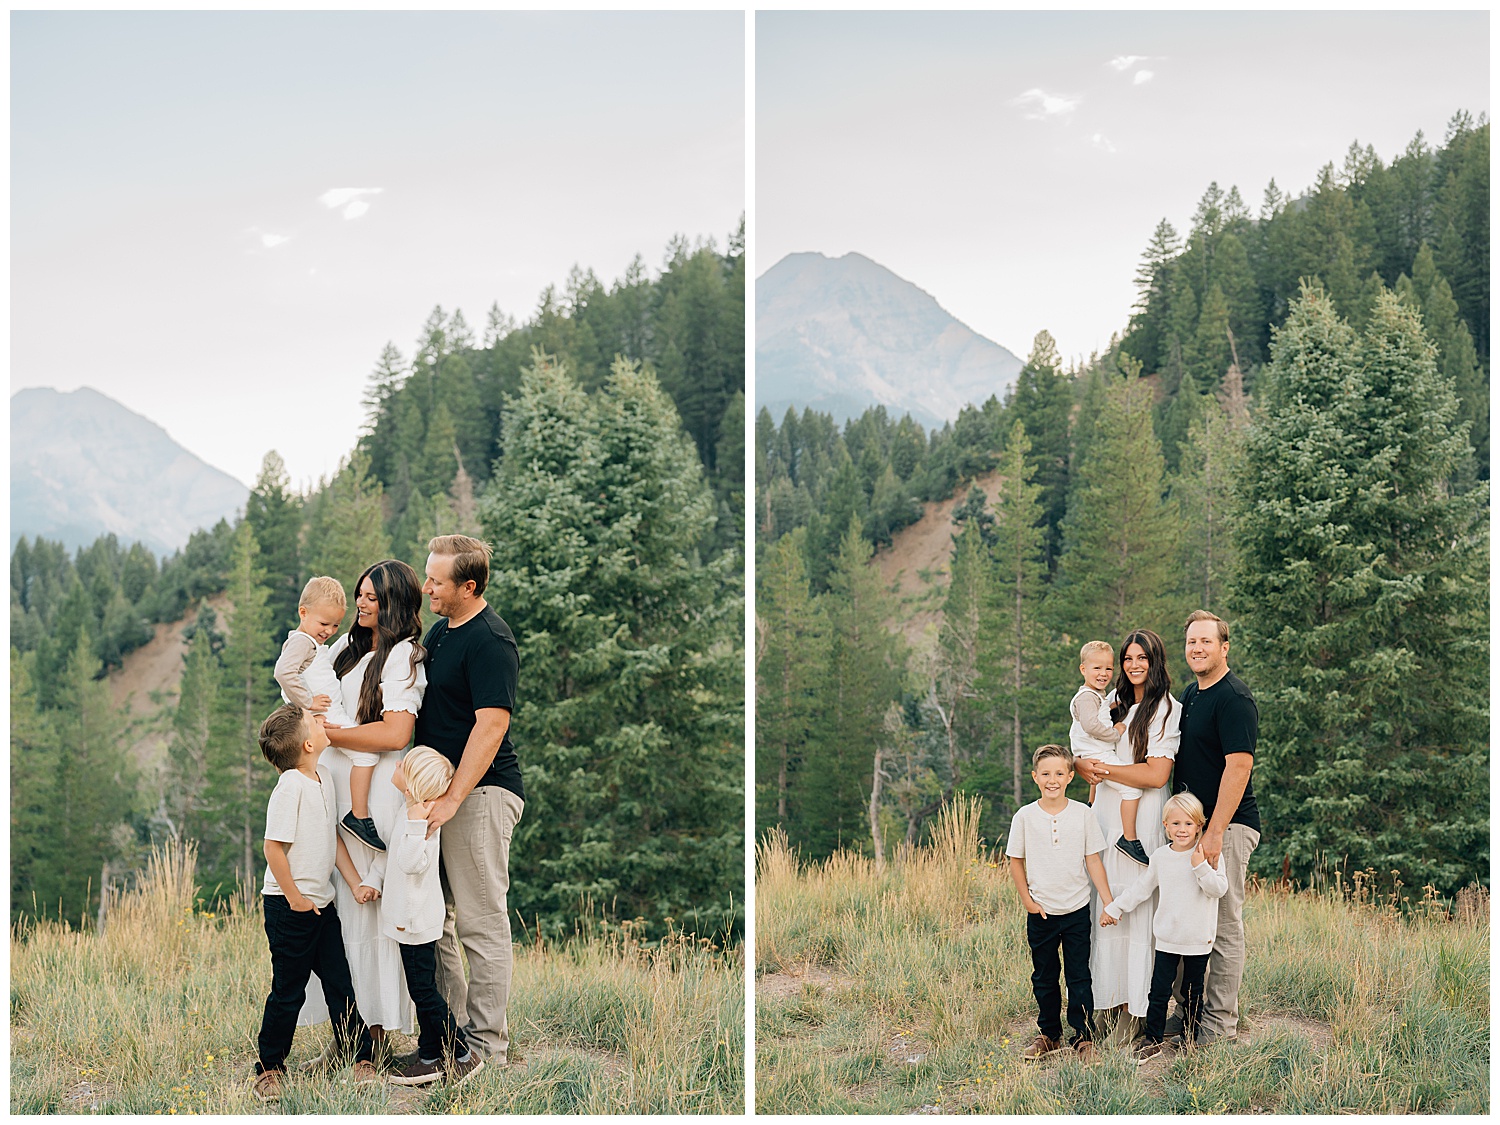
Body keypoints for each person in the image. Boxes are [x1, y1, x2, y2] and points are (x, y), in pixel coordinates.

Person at [297, 559, 428, 1059]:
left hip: (373, 798)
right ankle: (345, 1030)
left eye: (372, 597)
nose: (361, 603)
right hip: (329, 784)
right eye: (359, 594)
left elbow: (396, 733)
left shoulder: (402, 657)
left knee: (370, 915)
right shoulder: (344, 652)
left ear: (394, 602)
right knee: (338, 911)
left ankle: (374, 1033)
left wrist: (328, 733)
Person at [415, 534, 524, 1066]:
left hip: (480, 794)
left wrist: (454, 797)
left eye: (436, 581)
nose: (426, 586)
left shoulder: (491, 641)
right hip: (440, 796)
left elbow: (492, 726)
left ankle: (488, 1050)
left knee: (481, 922)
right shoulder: (441, 631)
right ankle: (453, 1040)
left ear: (469, 586)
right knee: (431, 917)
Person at [251, 704, 378, 1102]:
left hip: (323, 905)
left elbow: (332, 839)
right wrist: (295, 898)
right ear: (308, 744)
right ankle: (270, 1068)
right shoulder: (290, 786)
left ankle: (361, 1058)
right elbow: (273, 848)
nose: (321, 723)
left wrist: (355, 883)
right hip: (289, 908)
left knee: (340, 983)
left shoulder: (322, 777)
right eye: (314, 722)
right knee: (289, 991)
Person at [1071, 628, 1182, 1025]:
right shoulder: (1111, 702)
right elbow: (1087, 743)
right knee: (1103, 903)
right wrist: (1082, 765)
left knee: (1136, 906)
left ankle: (1137, 1014)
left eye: (1143, 658)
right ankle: (1105, 1005)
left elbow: (1155, 775)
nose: (1134, 666)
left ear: (1156, 662)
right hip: (1105, 810)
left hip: (1142, 815)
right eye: (1128, 659)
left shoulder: (1167, 708)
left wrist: (1101, 768)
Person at [360, 747, 484, 1087]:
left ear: (413, 783)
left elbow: (411, 862)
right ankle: (429, 1056)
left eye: (405, 764)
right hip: (411, 920)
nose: (398, 763)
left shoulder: (421, 819)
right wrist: (373, 880)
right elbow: (391, 854)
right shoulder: (409, 811)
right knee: (423, 990)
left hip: (413, 922)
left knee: (424, 993)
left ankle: (462, 1054)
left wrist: (416, 827)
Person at [1171, 610, 1259, 1045]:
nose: (1198, 649)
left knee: (1223, 925)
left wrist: (1216, 830)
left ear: (1224, 648)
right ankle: (1189, 1014)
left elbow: (1239, 766)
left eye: (1206, 642)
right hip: (1191, 828)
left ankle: (1219, 1024)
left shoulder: (1234, 698)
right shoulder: (1191, 694)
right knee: (1186, 921)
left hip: (1229, 825)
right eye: (1191, 642)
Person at [1007, 744, 1116, 1064]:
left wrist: (1108, 902)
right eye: (1045, 774)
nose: (1052, 779)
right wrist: (1027, 901)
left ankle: (1083, 1037)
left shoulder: (1083, 813)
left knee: (1079, 975)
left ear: (1070, 776)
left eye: (1058, 773)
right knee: (1044, 974)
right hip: (1041, 911)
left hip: (1077, 909)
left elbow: (1093, 860)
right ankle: (1049, 1035)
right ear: (1035, 777)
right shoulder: (1025, 816)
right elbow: (1015, 861)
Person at [1100, 792, 1228, 1061]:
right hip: (1167, 938)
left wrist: (1200, 867)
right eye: (1176, 824)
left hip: (1198, 939)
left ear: (1200, 826)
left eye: (1189, 824)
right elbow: (1141, 888)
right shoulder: (1160, 856)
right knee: (1157, 992)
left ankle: (1191, 1039)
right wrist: (1115, 907)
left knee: (1192, 993)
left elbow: (1218, 889)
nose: (1182, 830)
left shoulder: (1208, 854)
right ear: (1166, 826)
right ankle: (1153, 1039)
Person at [273, 576, 384, 852]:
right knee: (368, 753)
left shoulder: (312, 643)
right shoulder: (302, 642)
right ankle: (358, 816)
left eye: (335, 625)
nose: (329, 631)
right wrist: (308, 704)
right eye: (324, 624)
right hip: (328, 713)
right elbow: (283, 674)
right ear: (303, 613)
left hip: (327, 712)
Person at [1068, 640, 1141, 864]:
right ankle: (1129, 838)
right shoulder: (1086, 697)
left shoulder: (1096, 695)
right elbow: (1091, 725)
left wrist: (1110, 708)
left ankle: (1091, 805)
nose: (1103, 673)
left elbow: (1096, 713)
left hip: (1093, 751)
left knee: (1097, 780)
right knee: (1132, 789)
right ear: (1083, 669)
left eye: (1108, 668)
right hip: (1098, 752)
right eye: (1097, 668)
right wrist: (1115, 732)